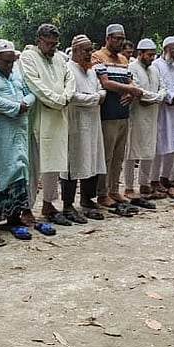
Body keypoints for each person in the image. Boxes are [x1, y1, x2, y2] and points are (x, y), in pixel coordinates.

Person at [18, 23, 73, 233]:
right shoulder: (28, 57)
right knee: (33, 165)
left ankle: (49, 203)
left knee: (55, 162)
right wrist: (59, 100)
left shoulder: (59, 57)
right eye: (49, 44)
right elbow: (35, 85)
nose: (52, 47)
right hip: (38, 119)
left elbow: (70, 78)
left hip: (59, 116)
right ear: (38, 40)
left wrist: (67, 96)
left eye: (55, 44)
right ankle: (26, 208)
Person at [0, 39, 35, 238]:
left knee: (19, 171)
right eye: (6, 62)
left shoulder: (17, 72)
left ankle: (14, 217)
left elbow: (30, 93)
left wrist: (25, 102)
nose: (9, 66)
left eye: (12, 62)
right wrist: (16, 107)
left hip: (18, 130)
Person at [92, 23, 141, 211]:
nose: (120, 42)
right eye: (117, 38)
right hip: (107, 113)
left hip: (123, 113)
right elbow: (105, 83)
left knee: (119, 154)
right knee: (106, 155)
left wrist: (131, 92)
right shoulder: (97, 57)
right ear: (108, 38)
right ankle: (102, 193)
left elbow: (130, 80)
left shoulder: (123, 59)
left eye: (122, 38)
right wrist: (129, 89)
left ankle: (114, 189)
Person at [61, 34, 108, 221]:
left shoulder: (91, 70)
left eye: (91, 49)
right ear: (75, 51)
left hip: (93, 122)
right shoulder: (67, 69)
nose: (90, 53)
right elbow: (71, 96)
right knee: (73, 162)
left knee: (92, 158)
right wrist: (95, 98)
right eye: (86, 50)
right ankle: (67, 204)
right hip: (75, 123)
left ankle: (87, 199)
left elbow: (101, 88)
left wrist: (98, 96)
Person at [123, 38, 164, 208]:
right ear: (139, 53)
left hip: (152, 115)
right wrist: (154, 98)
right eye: (149, 55)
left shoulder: (154, 69)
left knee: (149, 150)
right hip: (136, 116)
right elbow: (138, 92)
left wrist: (154, 98)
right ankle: (128, 187)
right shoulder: (131, 68)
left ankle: (145, 184)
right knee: (132, 152)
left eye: (153, 55)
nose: (152, 58)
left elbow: (163, 88)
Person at [151, 36, 174, 198]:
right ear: (165, 49)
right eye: (173, 49)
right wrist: (172, 97)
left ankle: (166, 178)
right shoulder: (156, 66)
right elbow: (159, 86)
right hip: (162, 111)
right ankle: (153, 180)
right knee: (160, 146)